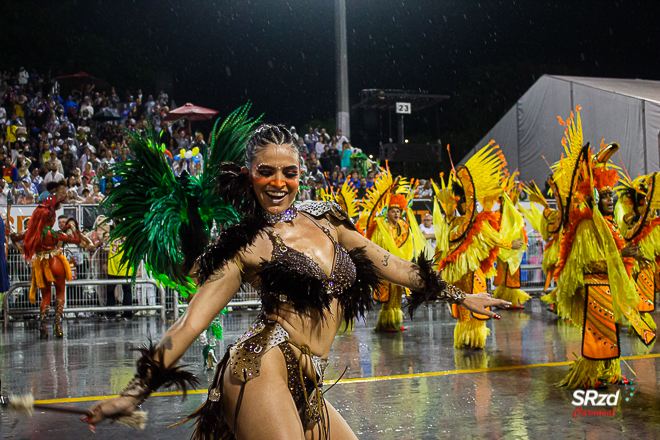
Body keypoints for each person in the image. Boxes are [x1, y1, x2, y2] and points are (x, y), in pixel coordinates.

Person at [83, 123, 509, 438]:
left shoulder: (326, 221)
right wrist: (135, 392)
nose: (278, 182)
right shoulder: (246, 245)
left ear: (301, 174)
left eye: (288, 172)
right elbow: (189, 323)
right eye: (266, 171)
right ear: (250, 175)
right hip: (261, 366)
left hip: (307, 380)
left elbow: (392, 265)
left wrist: (461, 295)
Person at [551, 110, 654, 388]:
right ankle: (590, 375)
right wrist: (622, 255)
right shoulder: (586, 226)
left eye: (612, 195)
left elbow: (617, 253)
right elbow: (590, 263)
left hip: (608, 285)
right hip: (593, 285)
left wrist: (630, 254)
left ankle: (610, 372)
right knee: (599, 332)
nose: (611, 199)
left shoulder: (609, 224)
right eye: (605, 195)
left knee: (612, 331)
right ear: (595, 197)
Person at [435, 142, 523, 349]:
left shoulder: (479, 223)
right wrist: (437, 263)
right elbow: (445, 245)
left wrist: (511, 243)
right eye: (467, 202)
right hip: (457, 274)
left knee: (477, 305)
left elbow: (493, 239)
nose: (470, 205)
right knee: (462, 307)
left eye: (472, 202)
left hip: (474, 272)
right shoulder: (455, 223)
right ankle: (465, 339)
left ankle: (476, 339)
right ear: (462, 204)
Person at [10, 196, 80, 338]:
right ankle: (57, 325)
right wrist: (72, 229)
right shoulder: (54, 233)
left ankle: (43, 327)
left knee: (45, 296)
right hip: (55, 261)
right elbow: (76, 240)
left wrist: (10, 232)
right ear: (51, 218)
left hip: (40, 264)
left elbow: (15, 238)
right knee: (60, 293)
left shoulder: (31, 232)